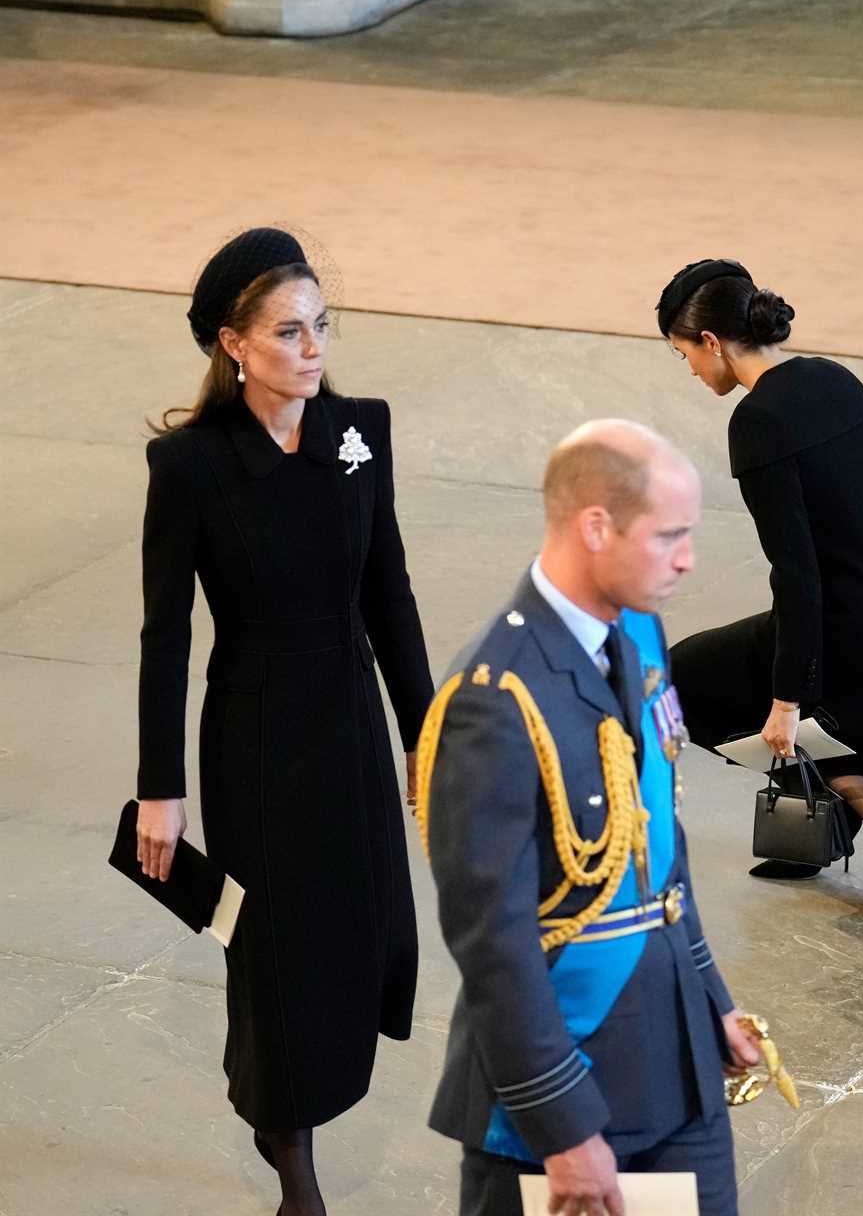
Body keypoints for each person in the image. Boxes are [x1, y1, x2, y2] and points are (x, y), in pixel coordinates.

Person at [133, 228, 433, 1216]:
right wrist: (160, 789)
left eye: (322, 326)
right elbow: (167, 633)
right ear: (233, 342)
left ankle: (296, 1095)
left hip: (346, 710)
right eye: (289, 331)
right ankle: (289, 1149)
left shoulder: (360, 432)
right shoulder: (189, 467)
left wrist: (419, 730)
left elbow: (387, 588)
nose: (313, 349)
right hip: (257, 734)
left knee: (371, 923)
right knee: (276, 948)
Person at [417, 420, 759, 1216]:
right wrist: (563, 1127)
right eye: (669, 536)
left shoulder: (638, 628)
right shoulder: (493, 699)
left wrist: (707, 995)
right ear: (595, 526)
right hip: (564, 1084)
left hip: (673, 1059)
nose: (687, 559)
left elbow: (655, 845)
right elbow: (492, 941)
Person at [656, 259, 863, 916]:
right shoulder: (830, 377)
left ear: (712, 341)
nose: (692, 371)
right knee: (807, 703)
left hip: (854, 611)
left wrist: (788, 697)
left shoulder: (757, 421)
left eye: (684, 355)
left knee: (678, 683)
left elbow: (798, 574)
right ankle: (838, 821)